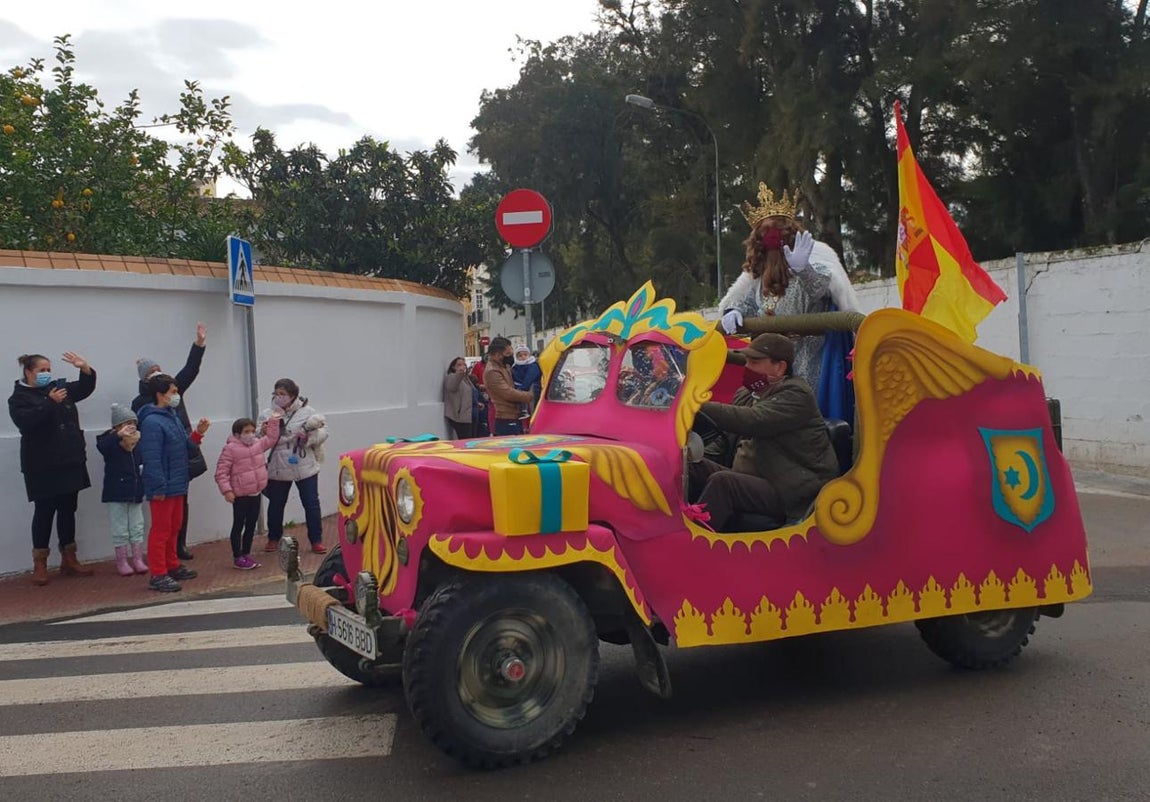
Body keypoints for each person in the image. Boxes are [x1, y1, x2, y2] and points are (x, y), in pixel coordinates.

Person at [718, 184, 859, 394]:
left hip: (809, 355)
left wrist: (804, 270)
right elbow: (746, 302)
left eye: (776, 231)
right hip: (770, 361)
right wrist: (734, 310)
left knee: (806, 406)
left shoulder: (810, 262)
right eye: (765, 233)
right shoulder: (758, 278)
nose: (772, 239)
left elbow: (821, 288)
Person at [690, 333, 839, 532]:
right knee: (690, 465)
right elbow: (726, 437)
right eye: (747, 361)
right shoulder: (745, 393)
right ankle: (672, 524)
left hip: (788, 489)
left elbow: (753, 420)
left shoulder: (796, 394)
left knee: (724, 483)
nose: (747, 368)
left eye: (755, 362)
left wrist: (696, 404)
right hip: (751, 476)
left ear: (780, 367)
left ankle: (695, 543)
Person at [8, 352, 97, 585]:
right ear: (29, 372)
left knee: (68, 510)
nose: (47, 374)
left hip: (69, 461)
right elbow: (26, 423)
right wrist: (49, 402)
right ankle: (40, 562)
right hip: (42, 466)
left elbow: (85, 389)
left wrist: (85, 368)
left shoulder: (60, 389)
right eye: (41, 370)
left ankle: (69, 558)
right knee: (44, 512)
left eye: (49, 369)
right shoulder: (19, 398)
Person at [132, 321, 208, 561]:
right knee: (163, 524)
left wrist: (198, 345)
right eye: (152, 371)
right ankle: (161, 567)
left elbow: (190, 370)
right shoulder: (146, 410)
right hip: (164, 472)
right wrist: (158, 485)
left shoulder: (173, 406)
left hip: (180, 464)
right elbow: (151, 452)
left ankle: (177, 551)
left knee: (178, 513)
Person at [138, 373, 210, 592]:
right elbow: (152, 458)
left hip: (178, 482)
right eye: (173, 392)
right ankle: (158, 574)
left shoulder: (172, 416)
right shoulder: (151, 422)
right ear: (160, 395)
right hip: (164, 485)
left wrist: (198, 434)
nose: (176, 395)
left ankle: (172, 564)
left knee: (174, 527)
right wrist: (158, 487)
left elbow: (187, 447)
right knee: (161, 530)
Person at [260, 378, 329, 554]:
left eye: (283, 394)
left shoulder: (308, 412)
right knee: (276, 503)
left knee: (311, 503)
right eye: (276, 393)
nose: (279, 397)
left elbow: (323, 432)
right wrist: (265, 431)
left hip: (303, 463)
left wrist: (307, 438)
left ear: (293, 396)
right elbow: (258, 438)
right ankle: (273, 538)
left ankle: (316, 540)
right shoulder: (267, 414)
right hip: (278, 464)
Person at [215, 412, 282, 570]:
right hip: (240, 494)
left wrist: (274, 421)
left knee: (251, 524)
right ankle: (237, 556)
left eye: (252, 431)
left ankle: (246, 553)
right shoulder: (230, 449)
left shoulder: (257, 444)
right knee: (239, 525)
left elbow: (272, 439)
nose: (250, 434)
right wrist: (227, 491)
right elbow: (221, 472)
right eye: (246, 432)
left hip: (255, 492)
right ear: (237, 434)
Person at [96, 403, 148, 577]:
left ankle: (138, 559)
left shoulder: (138, 442)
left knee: (137, 526)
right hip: (116, 492)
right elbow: (102, 446)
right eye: (126, 423)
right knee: (120, 529)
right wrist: (118, 435)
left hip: (135, 491)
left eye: (133, 422)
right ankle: (122, 561)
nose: (131, 427)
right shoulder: (108, 441)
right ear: (117, 426)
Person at [483, 337, 535, 436]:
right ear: (498, 355)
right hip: (505, 418)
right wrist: (530, 396)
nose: (511, 356)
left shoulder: (504, 366)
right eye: (508, 354)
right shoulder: (492, 371)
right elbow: (507, 393)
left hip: (514, 416)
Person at [443, 357, 476, 440]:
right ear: (453, 367)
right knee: (465, 439)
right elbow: (452, 387)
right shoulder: (452, 377)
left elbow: (468, 393)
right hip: (459, 416)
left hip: (468, 414)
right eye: (459, 364)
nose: (462, 366)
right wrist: (460, 373)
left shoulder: (465, 378)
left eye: (464, 364)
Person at [511, 344, 544, 425]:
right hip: (519, 389)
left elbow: (529, 378)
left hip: (529, 390)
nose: (523, 357)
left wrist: (521, 389)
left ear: (529, 355)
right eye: (520, 355)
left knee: (532, 411)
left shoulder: (533, 366)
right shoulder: (515, 366)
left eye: (525, 355)